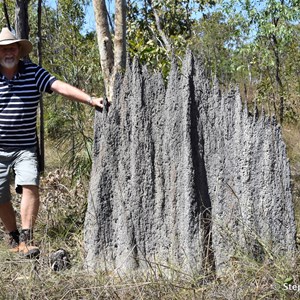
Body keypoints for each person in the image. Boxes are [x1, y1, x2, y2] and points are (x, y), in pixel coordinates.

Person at [0, 27, 104, 258]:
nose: (8, 53)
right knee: (0, 194)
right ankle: (14, 237)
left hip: (25, 146)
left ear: (19, 50)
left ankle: (27, 239)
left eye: (12, 48)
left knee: (30, 184)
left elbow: (59, 87)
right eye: (4, 49)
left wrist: (90, 100)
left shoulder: (34, 73)